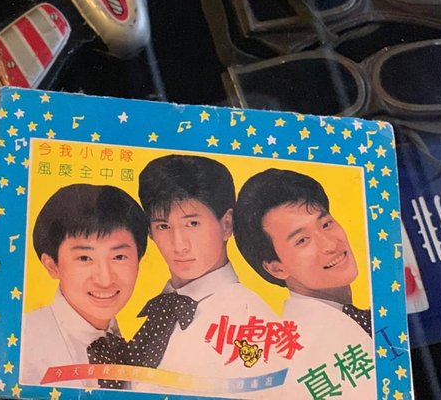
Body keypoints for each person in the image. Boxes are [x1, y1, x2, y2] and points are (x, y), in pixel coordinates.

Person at [129, 154, 284, 396]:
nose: (179, 245)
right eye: (163, 226)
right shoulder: (162, 310)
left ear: (226, 224)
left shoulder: (251, 320)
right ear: (150, 231)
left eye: (192, 224)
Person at [234, 168, 375, 399]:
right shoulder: (309, 347)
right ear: (276, 268)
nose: (330, 244)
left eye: (326, 224)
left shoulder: (361, 313)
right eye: (302, 240)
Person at [20, 183, 148, 389]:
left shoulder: (139, 340)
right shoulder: (22, 341)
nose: (105, 280)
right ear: (52, 266)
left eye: (119, 257)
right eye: (85, 258)